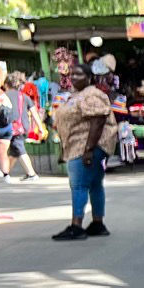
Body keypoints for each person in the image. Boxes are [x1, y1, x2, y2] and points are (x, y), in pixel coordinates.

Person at [49, 72, 118, 240]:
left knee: (79, 185)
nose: (74, 77)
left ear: (89, 78)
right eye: (73, 75)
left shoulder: (92, 94)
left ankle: (76, 226)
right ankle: (97, 223)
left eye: (80, 74)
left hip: (85, 147)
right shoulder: (77, 96)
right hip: (77, 147)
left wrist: (89, 149)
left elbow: (98, 120)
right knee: (95, 184)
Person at [0, 76, 38, 181]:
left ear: (6, 84)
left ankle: (31, 174)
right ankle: (6, 175)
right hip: (18, 128)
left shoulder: (1, 95)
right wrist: (39, 127)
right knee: (9, 152)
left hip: (6, 127)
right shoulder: (23, 96)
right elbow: (34, 112)